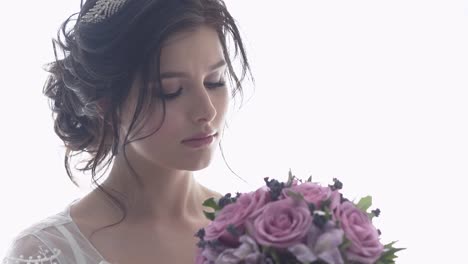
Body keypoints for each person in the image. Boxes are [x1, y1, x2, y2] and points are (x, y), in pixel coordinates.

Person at [2, 0, 253, 263]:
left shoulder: (258, 226)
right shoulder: (46, 252)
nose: (207, 111)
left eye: (215, 82)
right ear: (106, 104)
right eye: (170, 91)